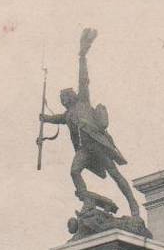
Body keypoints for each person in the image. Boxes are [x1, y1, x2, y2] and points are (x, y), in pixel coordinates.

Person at [39, 28, 141, 217]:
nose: (63, 100)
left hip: (97, 144)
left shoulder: (83, 101)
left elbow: (83, 80)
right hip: (84, 150)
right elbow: (54, 119)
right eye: (61, 99)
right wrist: (43, 119)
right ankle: (87, 199)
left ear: (71, 96)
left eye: (64, 97)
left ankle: (133, 205)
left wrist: (82, 56)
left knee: (115, 174)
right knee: (74, 171)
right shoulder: (68, 114)